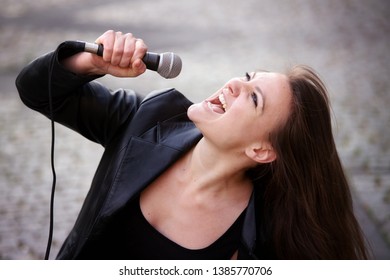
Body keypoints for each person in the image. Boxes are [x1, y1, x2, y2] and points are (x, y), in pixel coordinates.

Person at [16, 30, 369, 259]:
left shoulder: (258, 241)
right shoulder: (148, 118)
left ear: (261, 150)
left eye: (254, 98)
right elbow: (35, 90)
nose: (234, 84)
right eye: (247, 77)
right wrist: (90, 62)